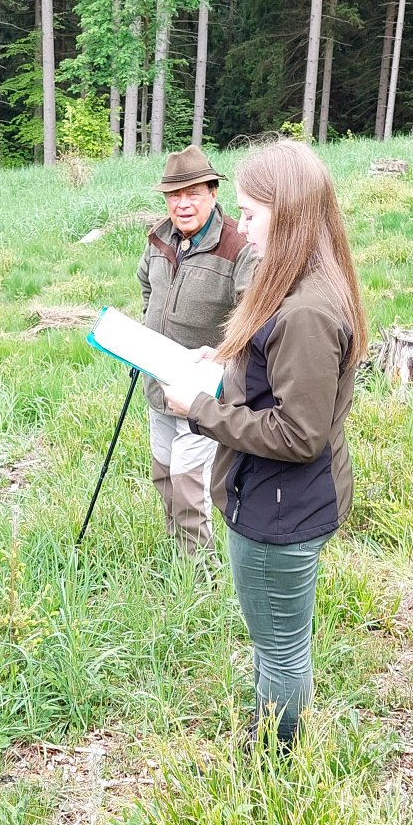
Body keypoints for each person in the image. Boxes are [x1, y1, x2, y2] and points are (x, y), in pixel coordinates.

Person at [160, 140, 368, 751]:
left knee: (279, 646)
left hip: (282, 508)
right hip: (277, 496)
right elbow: (273, 375)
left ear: (292, 214)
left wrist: (200, 409)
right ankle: (269, 729)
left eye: (251, 214)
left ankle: (274, 760)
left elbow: (299, 434)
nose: (243, 229)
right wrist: (225, 360)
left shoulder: (307, 310)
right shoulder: (296, 282)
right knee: (277, 637)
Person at [138, 146, 258, 560]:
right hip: (157, 383)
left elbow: (253, 316)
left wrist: (222, 358)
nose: (182, 204)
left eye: (193, 193)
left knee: (190, 484)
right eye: (174, 195)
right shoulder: (159, 236)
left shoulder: (238, 245)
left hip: (203, 393)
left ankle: (199, 574)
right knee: (164, 474)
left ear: (212, 192)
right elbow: (147, 285)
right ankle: (178, 558)